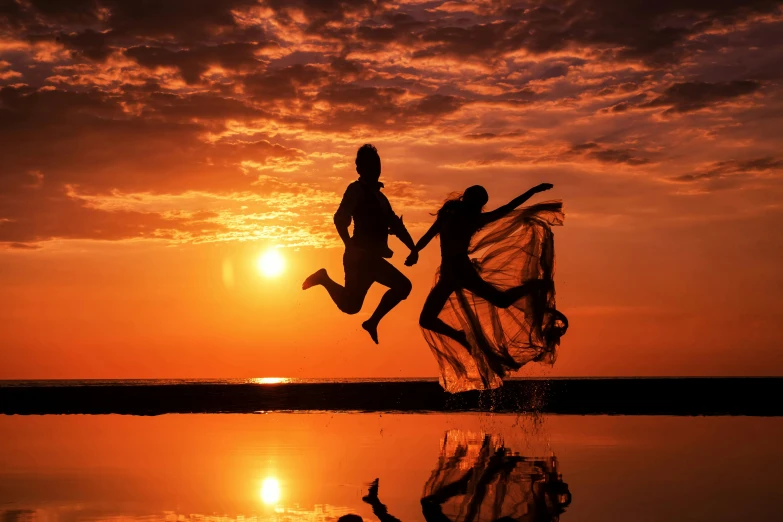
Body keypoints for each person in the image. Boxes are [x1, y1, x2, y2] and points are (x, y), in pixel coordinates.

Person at [406, 184, 567, 391]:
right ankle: (462, 336)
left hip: (460, 270)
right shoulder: (451, 213)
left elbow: (508, 209)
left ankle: (534, 285)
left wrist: (532, 191)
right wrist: (415, 252)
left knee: (498, 301)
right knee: (427, 319)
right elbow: (430, 234)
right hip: (451, 272)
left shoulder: (472, 218)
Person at [302, 144, 416, 344]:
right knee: (401, 286)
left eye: (377, 165)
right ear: (360, 169)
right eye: (370, 166)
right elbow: (340, 219)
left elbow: (395, 225)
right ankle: (326, 281)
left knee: (351, 305)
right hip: (361, 257)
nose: (376, 169)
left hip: (372, 258)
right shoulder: (356, 189)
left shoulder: (381, 198)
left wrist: (413, 248)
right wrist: (349, 245)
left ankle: (327, 282)